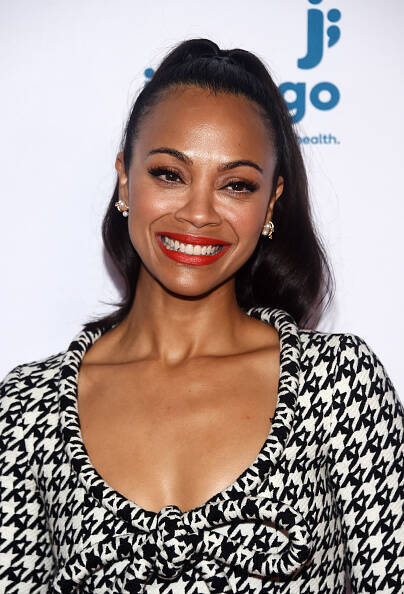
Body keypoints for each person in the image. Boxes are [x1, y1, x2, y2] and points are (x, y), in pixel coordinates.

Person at [0, 38, 403, 594]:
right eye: (170, 174)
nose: (198, 213)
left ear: (270, 203)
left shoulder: (337, 385)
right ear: (125, 180)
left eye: (236, 185)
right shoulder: (27, 412)